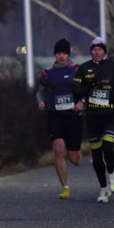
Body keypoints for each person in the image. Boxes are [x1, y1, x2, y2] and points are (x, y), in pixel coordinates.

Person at [73, 37, 114, 203]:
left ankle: (112, 173)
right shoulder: (84, 68)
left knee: (108, 146)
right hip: (92, 116)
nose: (97, 52)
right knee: (96, 154)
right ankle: (103, 188)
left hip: (110, 114)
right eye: (94, 49)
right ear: (91, 51)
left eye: (100, 49)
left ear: (105, 51)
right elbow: (76, 90)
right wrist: (90, 85)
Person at [36, 38, 82, 199]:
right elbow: (39, 91)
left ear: (68, 54)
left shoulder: (76, 70)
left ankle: (77, 155)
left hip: (73, 116)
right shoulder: (48, 72)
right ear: (55, 54)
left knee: (73, 158)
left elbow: (85, 89)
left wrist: (81, 102)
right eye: (58, 53)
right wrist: (40, 101)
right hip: (55, 116)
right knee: (58, 149)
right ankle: (65, 187)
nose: (61, 56)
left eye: (64, 53)